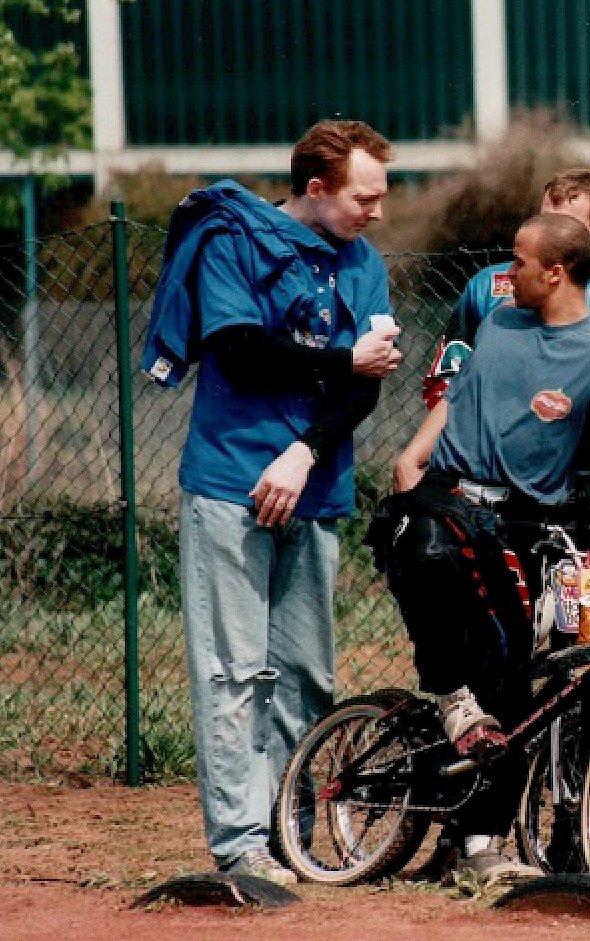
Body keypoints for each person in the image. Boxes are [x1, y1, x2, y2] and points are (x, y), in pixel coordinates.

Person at [139, 120, 402, 886]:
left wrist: (304, 449)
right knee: (232, 673)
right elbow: (240, 349)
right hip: (230, 482)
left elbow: (366, 381)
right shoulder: (236, 240)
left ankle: (297, 831)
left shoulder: (365, 266)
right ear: (316, 189)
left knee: (304, 675)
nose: (375, 212)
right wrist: (340, 357)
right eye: (364, 197)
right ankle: (239, 841)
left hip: (313, 484)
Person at [384, 213, 590, 883]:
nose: (504, 274)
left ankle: (479, 840)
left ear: (555, 272)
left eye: (517, 262)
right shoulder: (497, 321)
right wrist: (413, 455)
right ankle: (451, 693)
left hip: (526, 530)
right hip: (450, 499)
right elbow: (462, 398)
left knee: (518, 687)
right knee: (429, 560)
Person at [419, 168, 590, 546]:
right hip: (492, 484)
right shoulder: (491, 292)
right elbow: (447, 384)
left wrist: (584, 433)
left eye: (566, 223)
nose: (550, 231)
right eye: (543, 218)